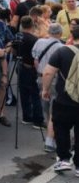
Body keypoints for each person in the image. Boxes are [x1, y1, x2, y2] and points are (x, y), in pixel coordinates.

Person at [41, 23, 79, 175]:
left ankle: (63, 159)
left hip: (64, 99)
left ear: (71, 37)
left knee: (61, 127)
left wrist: (45, 90)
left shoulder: (62, 51)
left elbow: (48, 73)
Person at [33, 23, 64, 153]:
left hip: (40, 77)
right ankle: (50, 140)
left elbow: (35, 60)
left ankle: (50, 134)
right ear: (60, 34)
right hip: (54, 80)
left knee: (46, 108)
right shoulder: (61, 47)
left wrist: (39, 72)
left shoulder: (39, 42)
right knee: (54, 111)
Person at [17, 16, 45, 127]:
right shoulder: (34, 39)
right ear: (32, 25)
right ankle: (38, 120)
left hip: (21, 65)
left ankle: (26, 117)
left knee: (24, 93)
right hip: (32, 68)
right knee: (35, 94)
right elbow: (37, 57)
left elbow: (14, 51)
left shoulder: (18, 37)